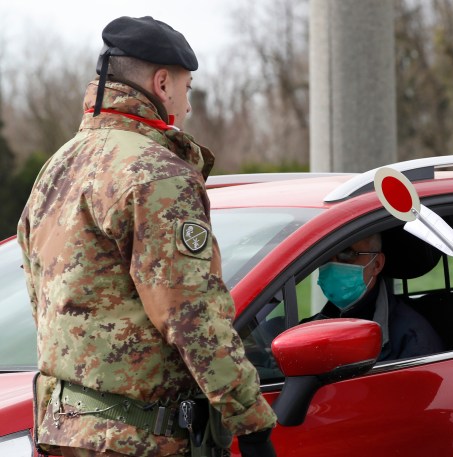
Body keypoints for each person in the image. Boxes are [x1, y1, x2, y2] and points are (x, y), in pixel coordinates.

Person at [18, 16, 276, 457]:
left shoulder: (59, 167)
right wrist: (250, 421)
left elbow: (40, 295)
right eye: (187, 88)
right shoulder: (156, 174)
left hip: (63, 433)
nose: (188, 106)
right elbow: (191, 313)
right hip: (137, 438)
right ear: (162, 83)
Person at [306, 233, 444, 361]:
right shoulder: (308, 330)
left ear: (376, 264)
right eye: (325, 256)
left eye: (346, 253)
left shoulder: (412, 341)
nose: (333, 265)